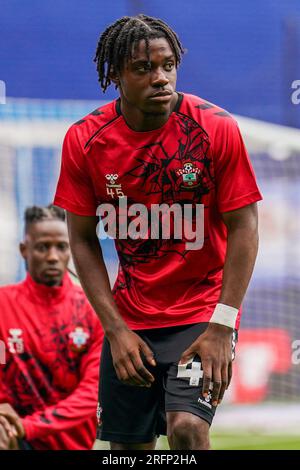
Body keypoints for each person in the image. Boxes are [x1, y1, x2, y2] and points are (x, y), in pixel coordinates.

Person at [54, 14, 262, 450]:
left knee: (187, 428)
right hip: (131, 317)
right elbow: (82, 239)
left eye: (168, 66)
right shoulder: (85, 140)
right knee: (129, 449)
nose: (160, 78)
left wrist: (223, 325)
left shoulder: (214, 127)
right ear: (115, 75)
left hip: (202, 313)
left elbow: (244, 226)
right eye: (143, 68)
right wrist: (114, 329)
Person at [0, 205, 103, 450]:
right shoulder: (2, 305)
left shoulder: (93, 312)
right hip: (14, 437)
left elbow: (92, 393)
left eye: (61, 246)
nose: (53, 256)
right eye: (43, 247)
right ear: (24, 250)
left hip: (70, 444)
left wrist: (29, 426)